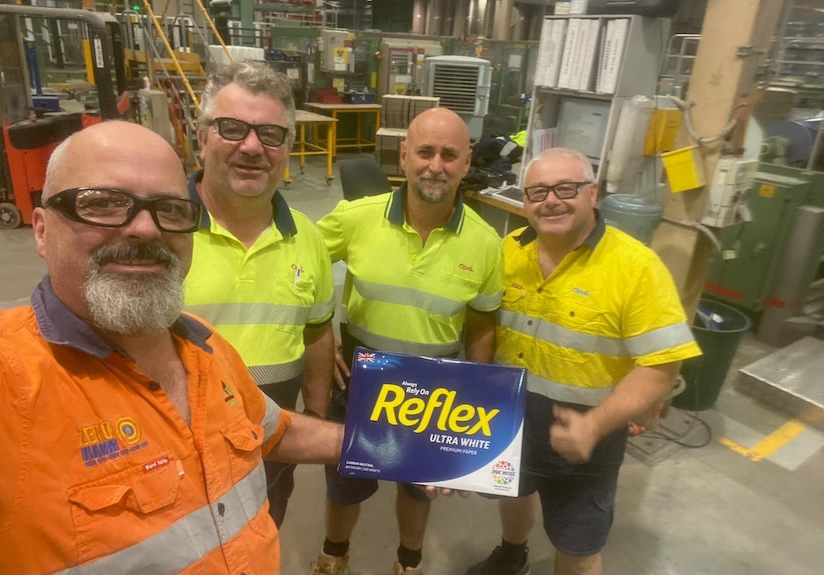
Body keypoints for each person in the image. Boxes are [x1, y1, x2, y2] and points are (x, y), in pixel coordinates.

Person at [0, 121, 344, 575]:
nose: (145, 228)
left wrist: (420, 450)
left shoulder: (203, 345)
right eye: (102, 203)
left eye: (169, 209)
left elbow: (277, 432)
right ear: (42, 231)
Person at [466, 147, 702, 575]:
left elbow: (663, 365)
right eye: (537, 191)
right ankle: (512, 552)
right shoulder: (507, 252)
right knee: (513, 494)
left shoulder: (635, 267)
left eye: (566, 188)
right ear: (524, 201)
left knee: (578, 541)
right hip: (511, 422)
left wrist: (595, 425)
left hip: (586, 437)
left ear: (592, 193)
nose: (550, 200)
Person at [311, 107, 504, 575]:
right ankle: (333, 555)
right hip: (359, 385)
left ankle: (408, 562)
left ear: (465, 162)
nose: (435, 165)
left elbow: (482, 323)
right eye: (425, 152)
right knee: (346, 483)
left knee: (418, 487)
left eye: (449, 155)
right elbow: (300, 267)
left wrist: (475, 397)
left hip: (433, 394)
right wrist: (318, 337)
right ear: (404, 155)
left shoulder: (484, 243)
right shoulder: (356, 218)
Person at [183, 60, 336, 528]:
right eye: (232, 128)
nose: (252, 147)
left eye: (270, 134)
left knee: (263, 537)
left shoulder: (308, 238)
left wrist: (314, 415)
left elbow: (317, 334)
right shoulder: (161, 232)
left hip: (272, 449)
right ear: (202, 135)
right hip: (178, 453)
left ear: (287, 147)